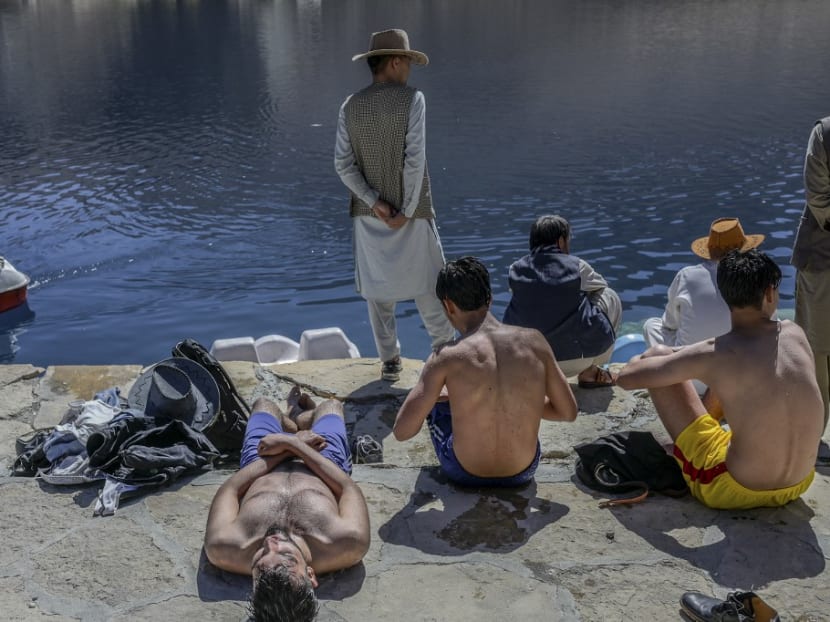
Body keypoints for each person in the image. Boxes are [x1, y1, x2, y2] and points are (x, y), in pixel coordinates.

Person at [617, 250, 824, 510]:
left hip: (733, 489)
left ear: (725, 296)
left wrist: (664, 356)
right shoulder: (795, 333)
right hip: (800, 482)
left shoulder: (717, 354)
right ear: (770, 294)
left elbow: (626, 379)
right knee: (733, 381)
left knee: (659, 355)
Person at [392, 256, 577, 487]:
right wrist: (521, 402)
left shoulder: (445, 357)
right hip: (523, 471)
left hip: (464, 472)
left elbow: (402, 432)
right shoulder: (535, 342)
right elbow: (568, 412)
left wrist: (442, 399)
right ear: (489, 298)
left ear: (448, 306)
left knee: (436, 404)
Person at [334, 28, 454, 382]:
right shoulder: (413, 99)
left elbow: (343, 165)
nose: (410, 70)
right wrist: (407, 209)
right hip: (411, 213)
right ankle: (445, 355)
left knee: (378, 291)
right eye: (408, 62)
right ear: (396, 62)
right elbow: (414, 160)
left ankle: (390, 362)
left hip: (369, 216)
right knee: (430, 286)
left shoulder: (350, 105)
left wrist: (376, 203)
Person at [204, 390, 370, 622]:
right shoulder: (348, 543)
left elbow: (230, 489)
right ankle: (303, 418)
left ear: (254, 582)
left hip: (260, 461)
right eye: (286, 555)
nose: (272, 543)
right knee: (331, 405)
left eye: (260, 561)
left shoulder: (223, 547)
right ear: (310, 575)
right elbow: (347, 487)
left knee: (263, 403)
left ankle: (291, 420)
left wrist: (283, 448)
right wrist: (294, 445)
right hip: (324, 459)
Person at [502, 215, 622, 389]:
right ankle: (591, 372)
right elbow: (600, 286)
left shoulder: (515, 269)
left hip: (531, 362)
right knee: (609, 295)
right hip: (577, 361)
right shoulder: (577, 266)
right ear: (560, 241)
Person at [644, 217, 764, 350]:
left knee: (651, 326)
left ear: (710, 250)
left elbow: (670, 323)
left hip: (688, 357)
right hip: (743, 353)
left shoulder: (687, 276)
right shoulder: (756, 275)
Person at [792, 116, 830, 431]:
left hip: (820, 257)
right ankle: (814, 433)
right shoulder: (824, 134)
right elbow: (819, 199)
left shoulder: (824, 134)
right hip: (822, 262)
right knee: (815, 349)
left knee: (816, 349)